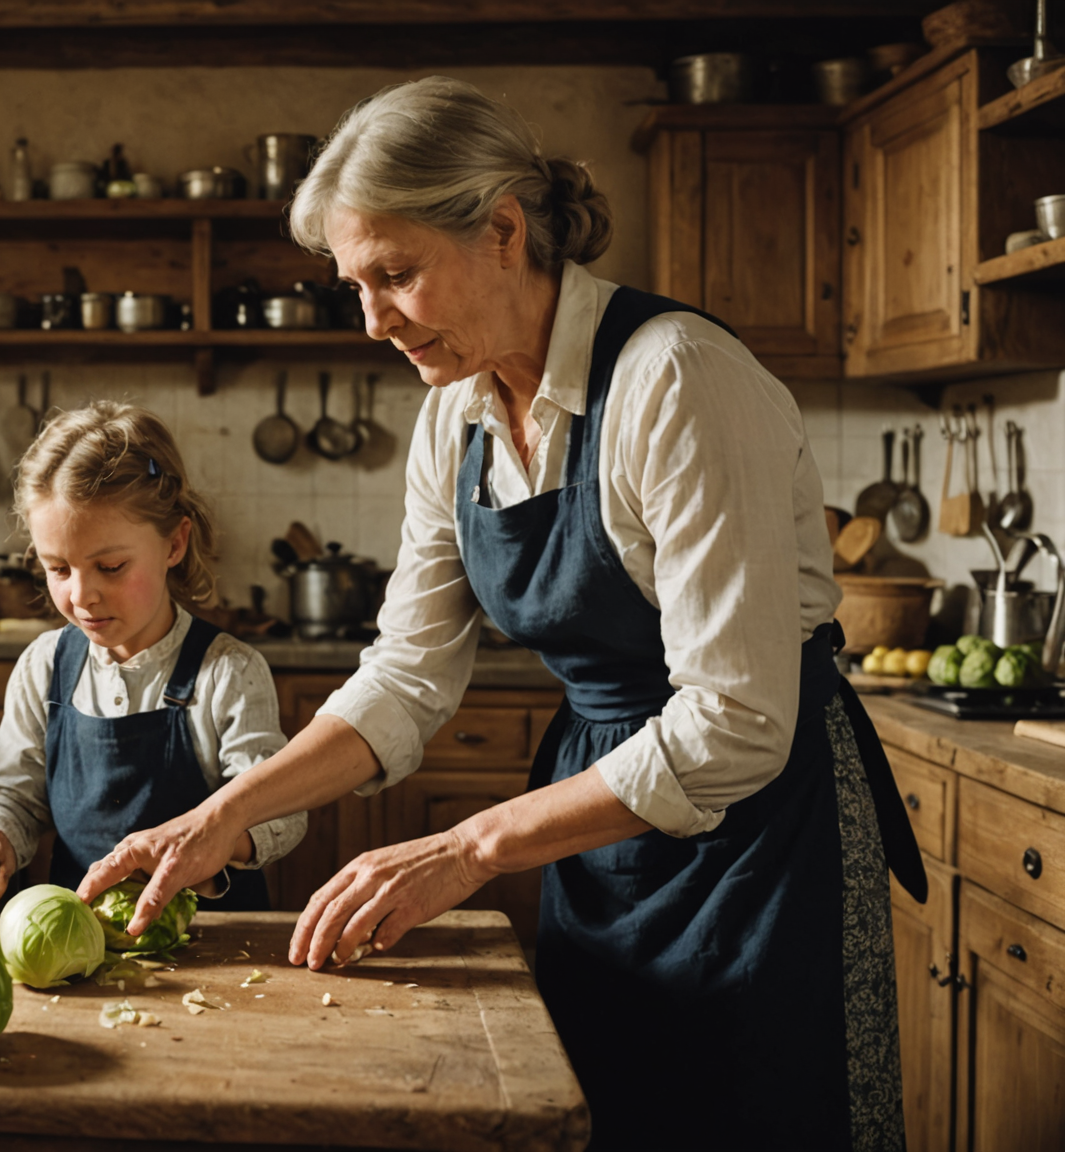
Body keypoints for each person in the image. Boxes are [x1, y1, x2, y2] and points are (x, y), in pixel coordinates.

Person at [76, 78, 924, 1151]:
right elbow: (408, 675)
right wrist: (224, 815)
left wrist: (470, 849)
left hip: (764, 827)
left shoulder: (678, 380)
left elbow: (738, 723)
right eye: (355, 285)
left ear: (503, 229)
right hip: (598, 820)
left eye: (396, 275)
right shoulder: (456, 417)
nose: (374, 320)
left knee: (759, 1114)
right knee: (606, 1107)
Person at [0, 401, 302, 909]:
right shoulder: (44, 666)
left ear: (175, 542)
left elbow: (281, 814)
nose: (83, 595)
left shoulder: (228, 672)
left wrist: (211, 839)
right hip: (81, 945)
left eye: (110, 566)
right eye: (58, 568)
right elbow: (15, 794)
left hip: (215, 947)